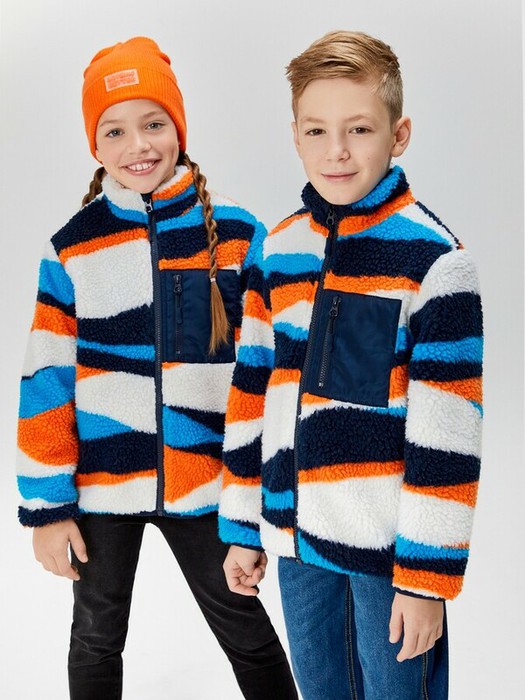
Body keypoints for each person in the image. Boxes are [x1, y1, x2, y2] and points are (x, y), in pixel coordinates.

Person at [16, 36, 298, 700]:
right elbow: (46, 380)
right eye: (113, 130)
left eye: (153, 123)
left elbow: (266, 371)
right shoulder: (72, 249)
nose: (137, 145)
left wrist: (254, 496)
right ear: (94, 146)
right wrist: (47, 508)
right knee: (94, 636)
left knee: (246, 629)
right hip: (101, 488)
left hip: (207, 483)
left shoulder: (237, 237)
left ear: (179, 130)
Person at [220, 30, 483, 700]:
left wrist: (424, 581)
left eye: (359, 129)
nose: (335, 150)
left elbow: (448, 440)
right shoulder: (276, 250)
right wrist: (243, 525)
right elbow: (251, 394)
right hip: (295, 546)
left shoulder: (434, 262)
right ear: (295, 137)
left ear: (399, 135)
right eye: (316, 130)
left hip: (386, 559)